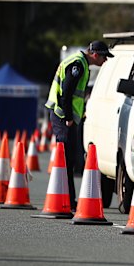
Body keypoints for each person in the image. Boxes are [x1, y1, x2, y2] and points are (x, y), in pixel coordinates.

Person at [45, 40, 113, 210]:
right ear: (95, 54)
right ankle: (65, 199)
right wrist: (68, 117)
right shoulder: (78, 64)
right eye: (104, 57)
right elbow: (66, 92)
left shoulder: (80, 62)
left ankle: (67, 198)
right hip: (62, 115)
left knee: (70, 158)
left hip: (66, 116)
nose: (105, 61)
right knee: (66, 158)